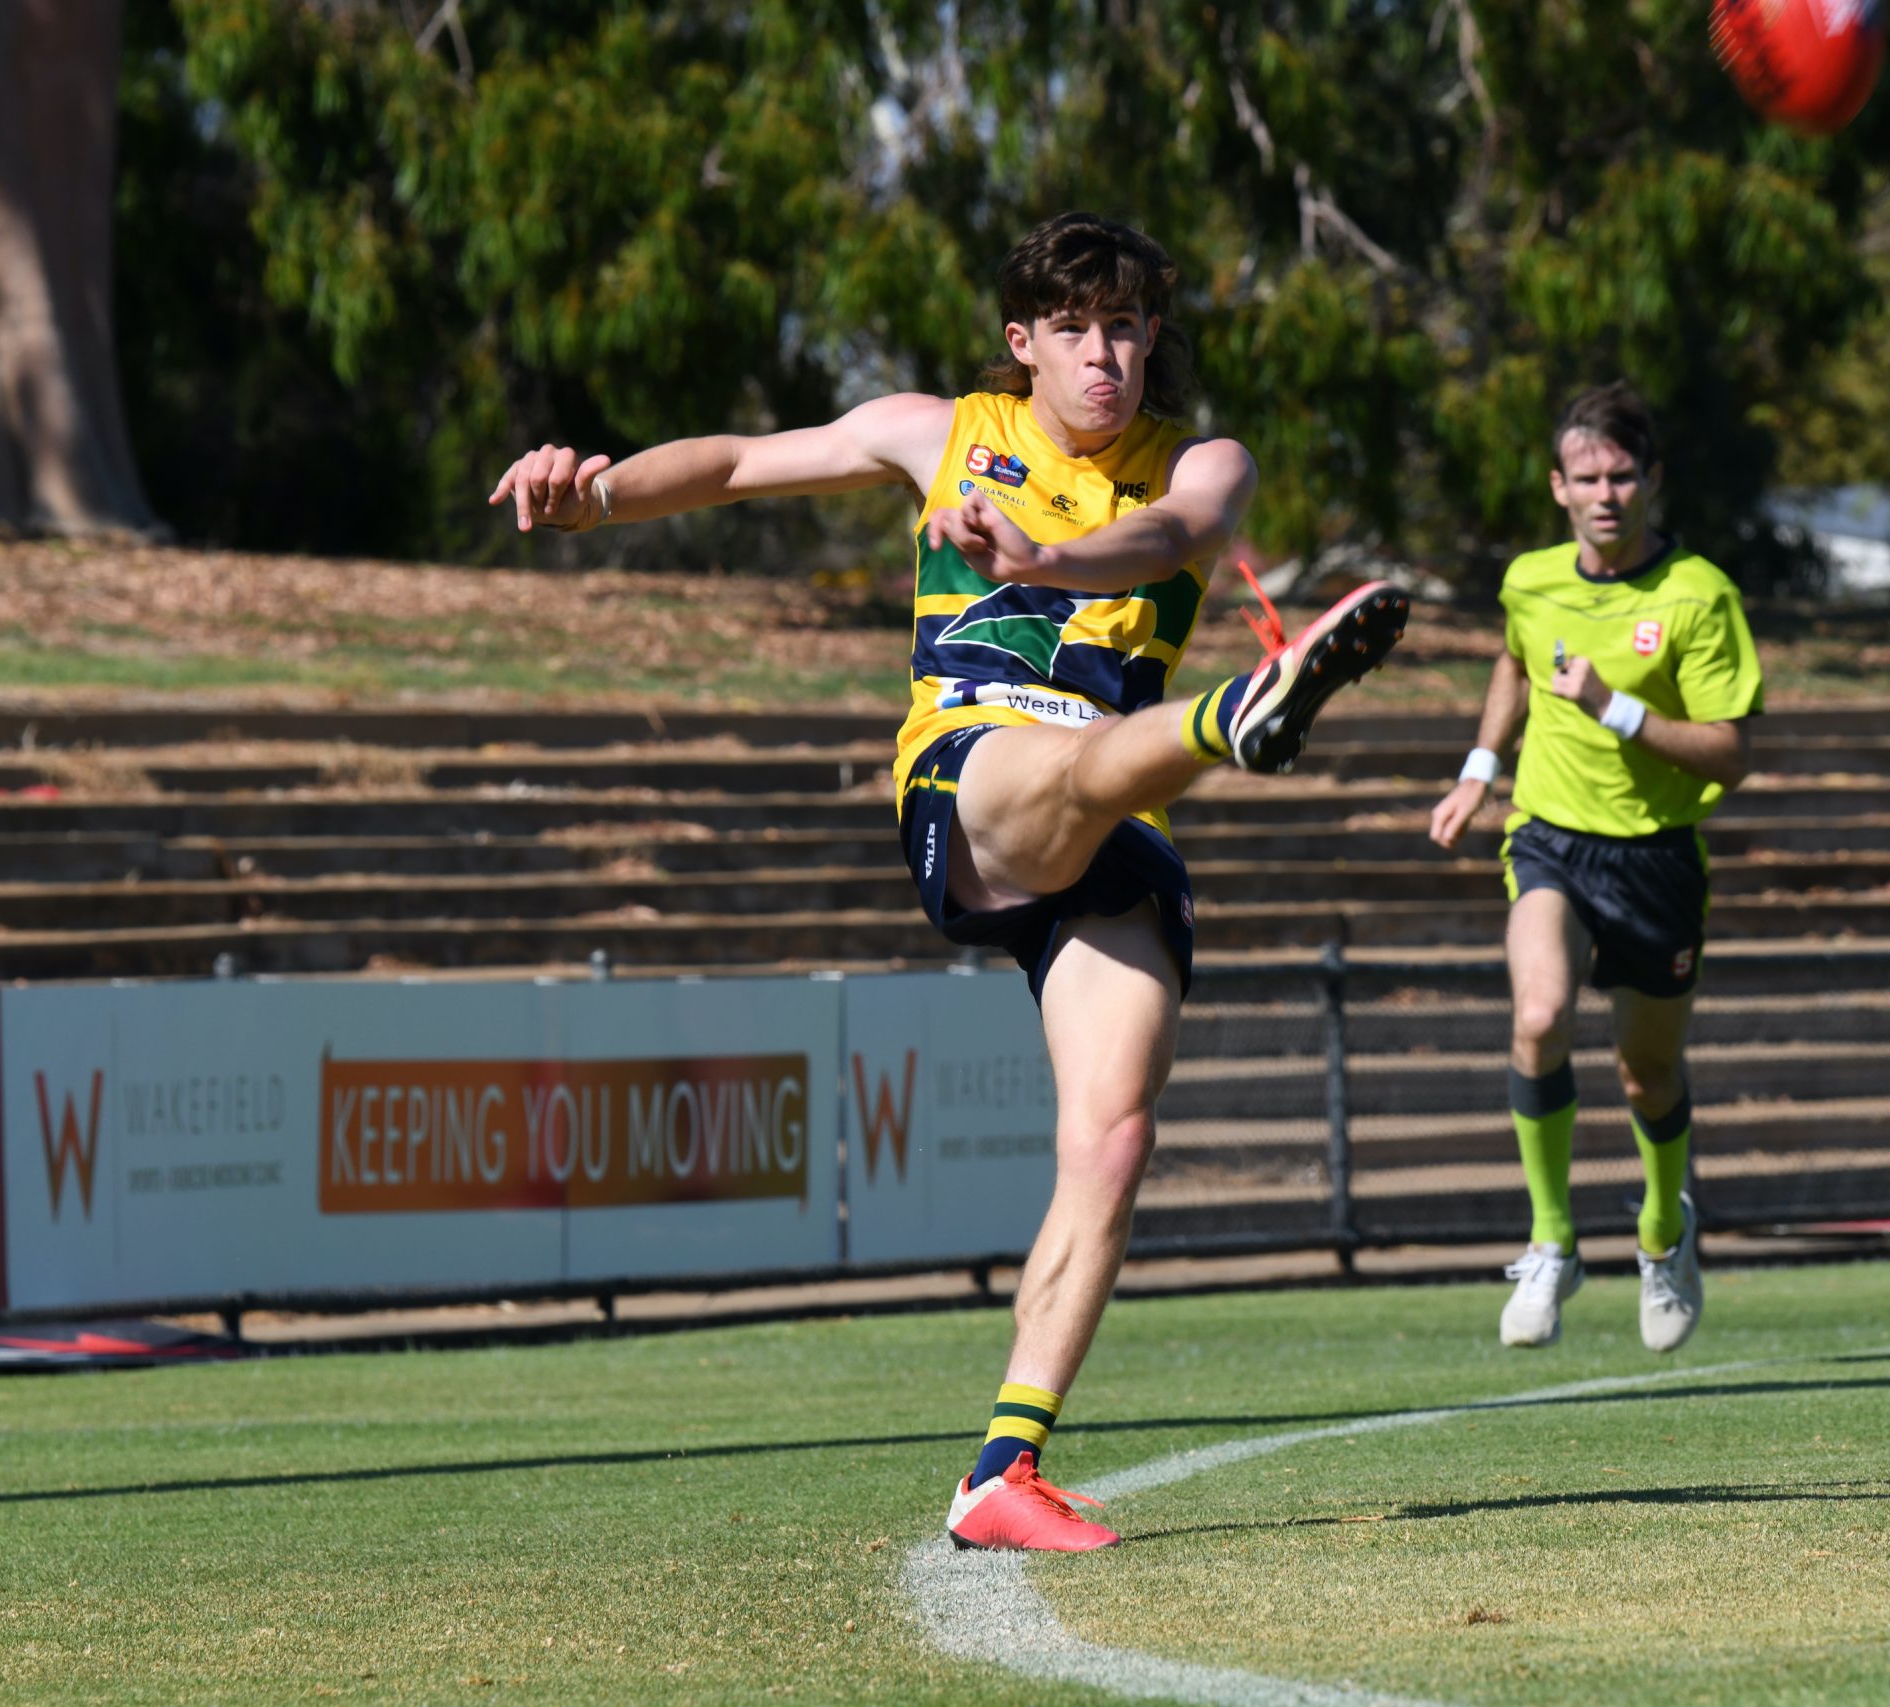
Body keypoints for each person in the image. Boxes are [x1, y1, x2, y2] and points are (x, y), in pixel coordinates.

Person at [489, 212, 1408, 1550]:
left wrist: (1041, 557)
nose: (1109, 355)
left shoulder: (1202, 457)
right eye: (1079, 328)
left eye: (1132, 328)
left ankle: (1002, 1465)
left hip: (1110, 809)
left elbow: (1168, 537)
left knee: (1114, 1130)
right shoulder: (939, 427)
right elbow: (744, 459)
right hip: (977, 769)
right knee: (1080, 767)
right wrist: (603, 492)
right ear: (1021, 339)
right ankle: (1236, 721)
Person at [1427, 382, 1761, 1354]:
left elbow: (1730, 754)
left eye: (1622, 475)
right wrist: (1479, 769)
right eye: (1587, 477)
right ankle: (1553, 1239)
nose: (1605, 493)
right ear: (1557, 488)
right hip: (1549, 840)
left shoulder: (1698, 596)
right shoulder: (1532, 581)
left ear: (1651, 482)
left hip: (1656, 860)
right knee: (1537, 1016)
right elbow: (1513, 659)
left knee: (1644, 1074)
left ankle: (1663, 1231)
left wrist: (1618, 709)